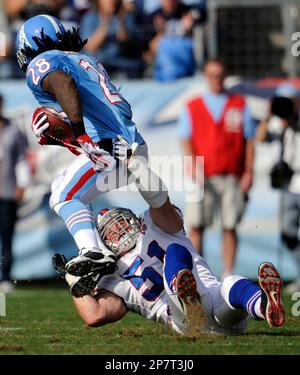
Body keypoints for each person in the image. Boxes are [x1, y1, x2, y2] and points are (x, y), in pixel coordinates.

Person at [16, 15, 178, 281]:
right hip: (131, 144)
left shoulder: (42, 62)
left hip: (107, 146)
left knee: (62, 196)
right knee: (64, 186)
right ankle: (115, 248)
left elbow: (63, 83)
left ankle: (93, 251)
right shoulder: (86, 59)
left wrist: (80, 135)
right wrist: (68, 134)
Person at [53, 204, 285, 335]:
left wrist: (139, 169)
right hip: (180, 317)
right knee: (175, 253)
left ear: (134, 218)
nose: (120, 230)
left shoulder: (156, 224)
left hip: (215, 308)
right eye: (111, 231)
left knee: (231, 282)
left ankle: (264, 306)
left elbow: (160, 202)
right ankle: (182, 292)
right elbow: (95, 315)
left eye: (121, 221)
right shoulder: (111, 275)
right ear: (104, 242)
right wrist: (74, 280)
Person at [178, 59, 256, 278]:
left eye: (219, 75)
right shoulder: (193, 106)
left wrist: (249, 171)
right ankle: (198, 274)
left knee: (229, 226)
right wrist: (193, 164)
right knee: (196, 225)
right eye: (212, 75)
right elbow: (185, 138)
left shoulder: (239, 104)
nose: (216, 80)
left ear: (225, 76)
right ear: (206, 76)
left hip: (230, 175)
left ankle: (228, 273)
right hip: (201, 176)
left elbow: (249, 140)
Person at [256, 83, 300, 294]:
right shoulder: (279, 123)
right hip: (288, 186)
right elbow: (261, 138)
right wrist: (269, 114)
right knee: (288, 233)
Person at [0, 93, 30, 293]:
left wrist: (22, 185)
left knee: (7, 236)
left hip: (7, 191)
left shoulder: (13, 131)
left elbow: (21, 160)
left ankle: (5, 277)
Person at [80, 0, 144, 78]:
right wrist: (105, 27)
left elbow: (137, 44)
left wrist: (125, 39)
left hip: (122, 66)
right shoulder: (90, 18)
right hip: (99, 67)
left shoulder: (126, 17)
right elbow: (90, 47)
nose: (111, 1)